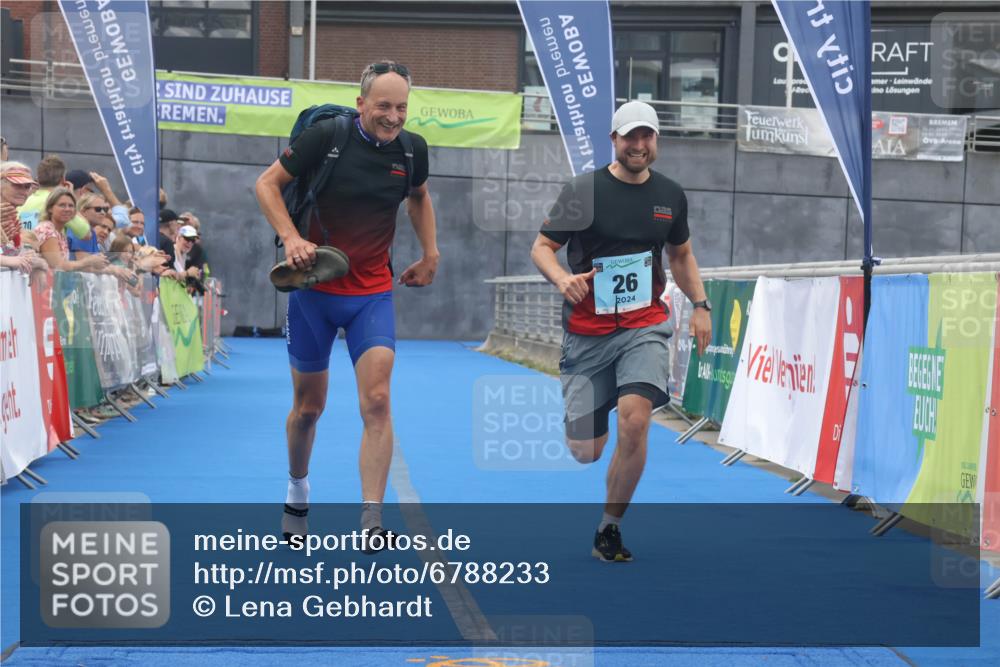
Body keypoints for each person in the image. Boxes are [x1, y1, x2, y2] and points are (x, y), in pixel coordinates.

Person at [255, 60, 439, 548]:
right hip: (313, 291)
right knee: (308, 408)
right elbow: (266, 184)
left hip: (371, 294)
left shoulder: (411, 149)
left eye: (401, 107)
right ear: (361, 104)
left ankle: (372, 520)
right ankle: (298, 490)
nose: (394, 116)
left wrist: (430, 252)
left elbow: (418, 197)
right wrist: (291, 236)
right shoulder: (327, 137)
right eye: (383, 106)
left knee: (377, 400)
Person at [530, 101, 712, 563]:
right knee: (585, 451)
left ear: (656, 141)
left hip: (644, 325)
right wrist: (561, 278)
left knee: (635, 420)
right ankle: (590, 418)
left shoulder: (670, 195)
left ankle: (609, 527)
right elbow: (543, 247)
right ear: (614, 140)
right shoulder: (583, 191)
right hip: (587, 333)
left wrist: (701, 304)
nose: (639, 145)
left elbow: (681, 256)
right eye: (630, 137)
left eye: (647, 136)